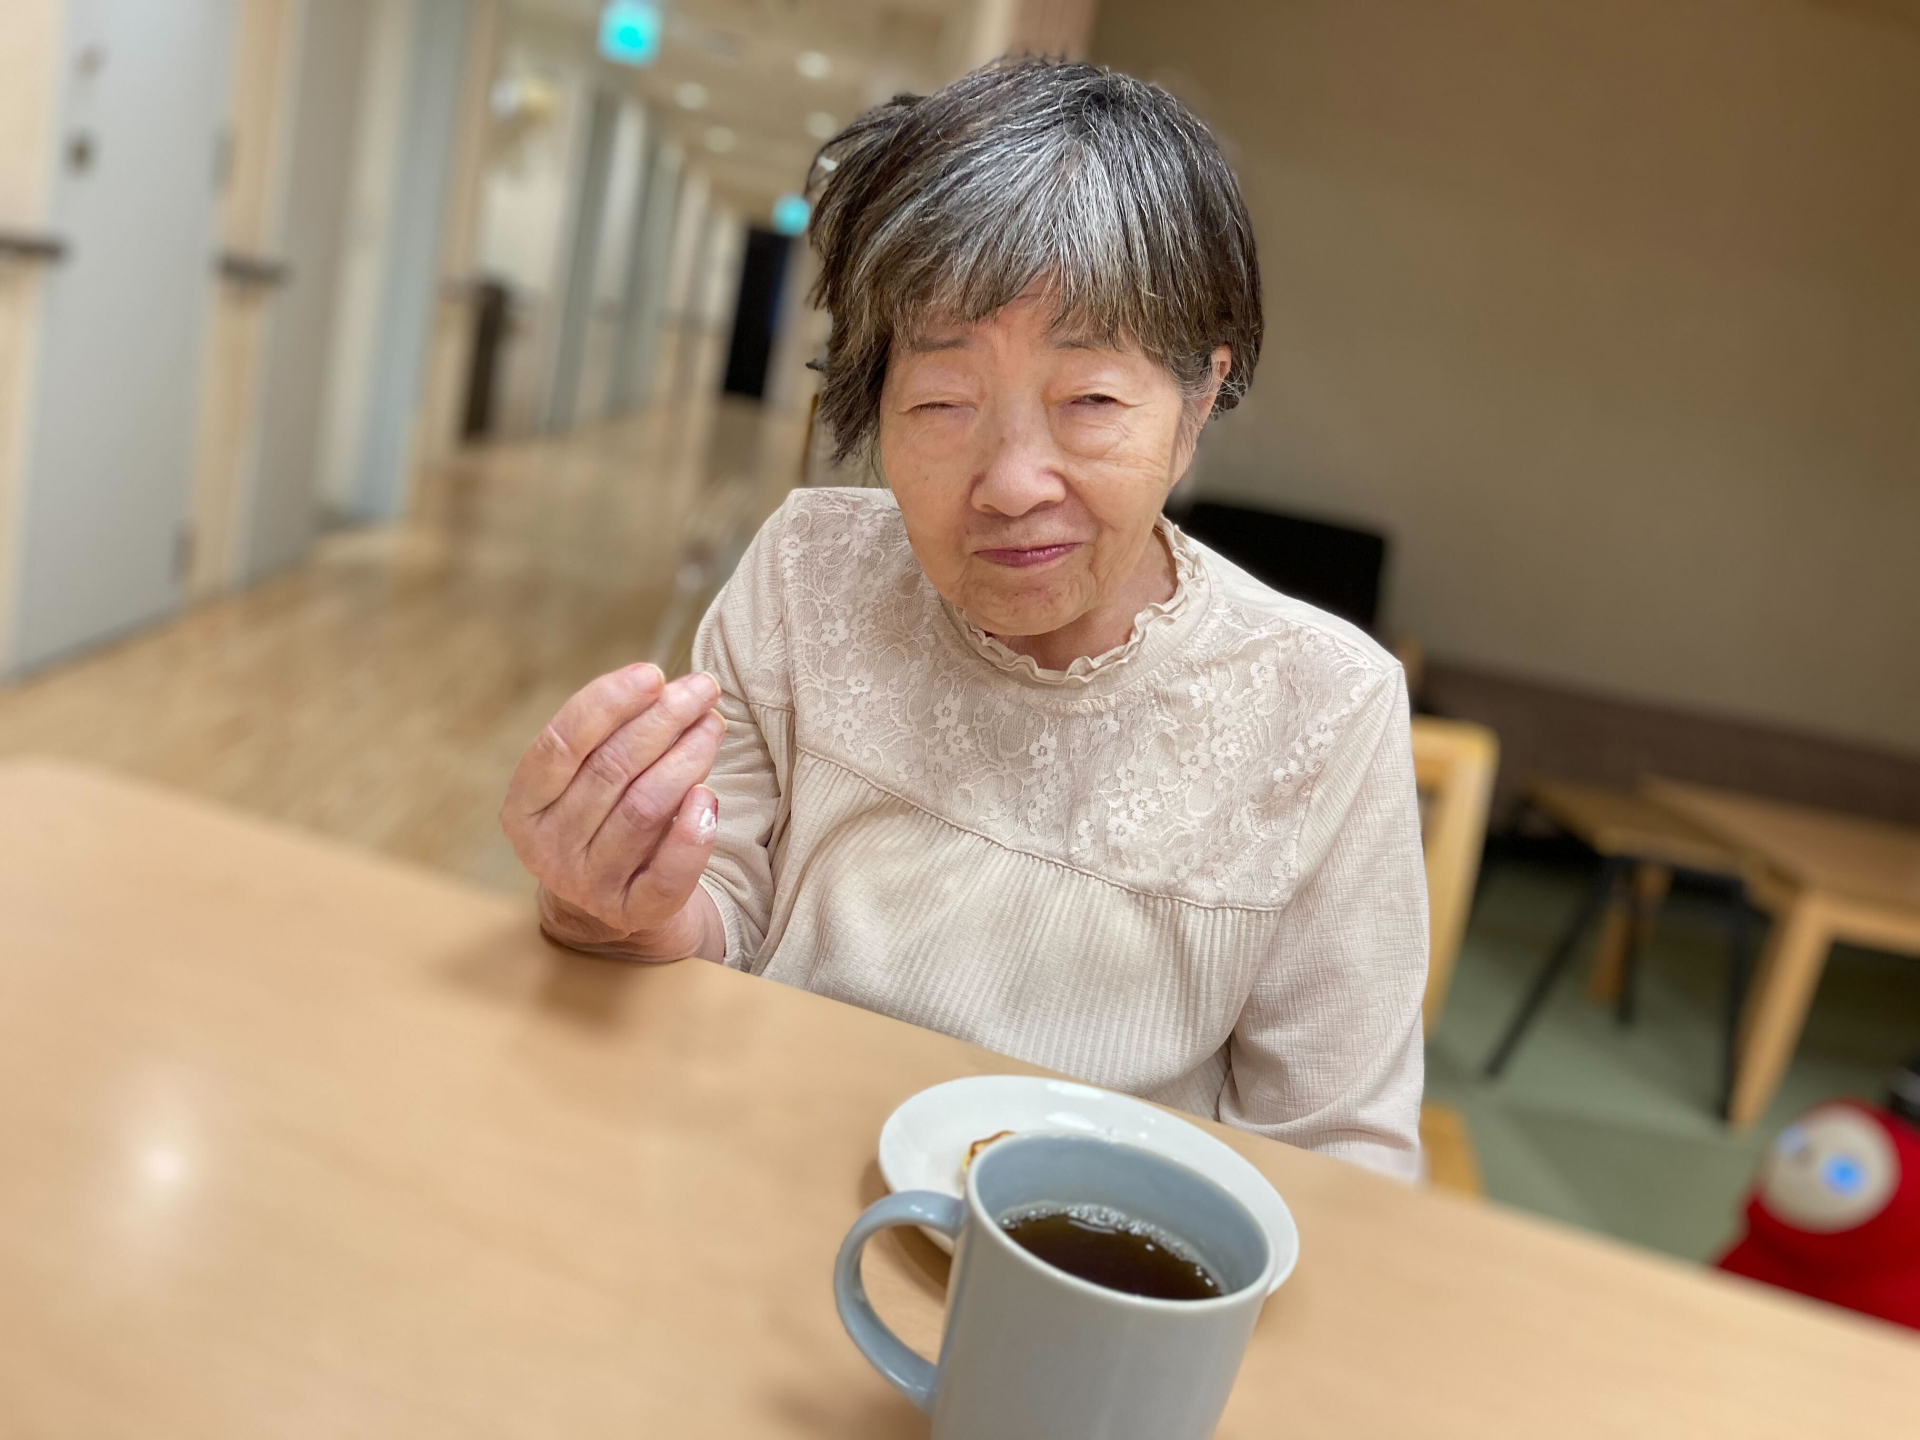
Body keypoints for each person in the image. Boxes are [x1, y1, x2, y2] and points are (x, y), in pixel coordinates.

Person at [501, 59, 1428, 1178]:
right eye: (943, 403)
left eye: (1090, 400)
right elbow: (720, 915)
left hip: (1086, 1248)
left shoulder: (1327, 705)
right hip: (744, 1166)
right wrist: (622, 909)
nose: (1012, 483)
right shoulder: (807, 571)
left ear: (1196, 404)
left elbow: (1340, 1155)